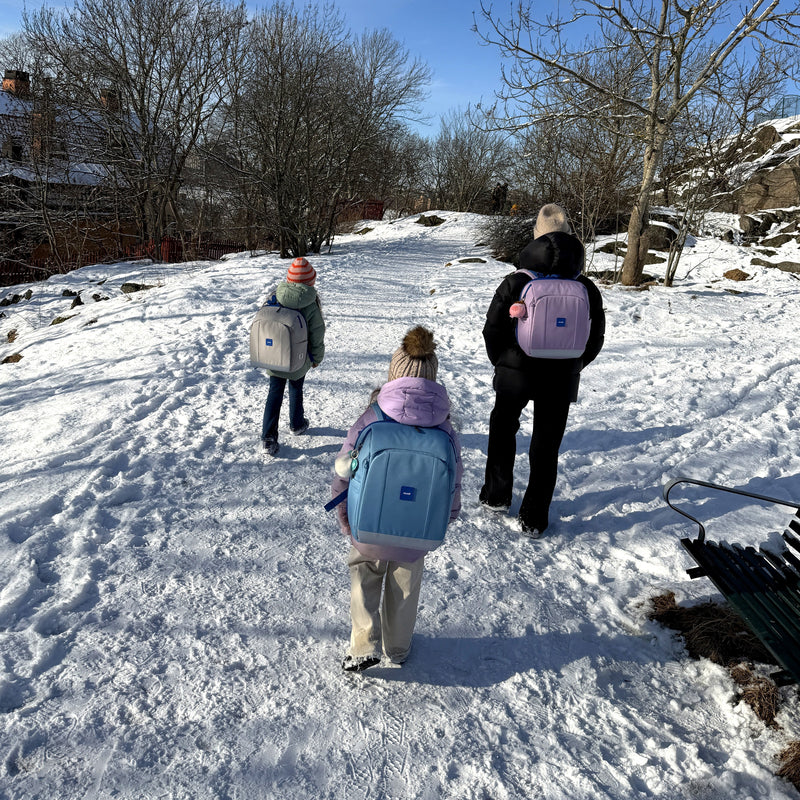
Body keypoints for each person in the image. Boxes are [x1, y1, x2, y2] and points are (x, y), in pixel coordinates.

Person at [331, 326, 462, 672]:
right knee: (405, 584)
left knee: (363, 575)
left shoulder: (371, 417)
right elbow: (454, 482)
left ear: (393, 375)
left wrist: (345, 516)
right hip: (417, 533)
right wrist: (445, 519)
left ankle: (363, 645)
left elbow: (344, 470)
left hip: (368, 529)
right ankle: (399, 648)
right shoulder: (445, 428)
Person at [479, 204, 605, 537]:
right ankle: (534, 517)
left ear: (536, 235)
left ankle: (496, 495)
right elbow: (595, 338)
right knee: (547, 445)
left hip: (515, 371)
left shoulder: (517, 280)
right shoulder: (587, 286)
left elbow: (492, 329)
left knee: (503, 428)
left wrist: (504, 362)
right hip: (560, 378)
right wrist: (573, 365)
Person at [260, 257, 325, 456]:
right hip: (299, 357)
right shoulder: (311, 303)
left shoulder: (275, 295)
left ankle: (268, 437)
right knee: (296, 388)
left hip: (275, 354)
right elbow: (317, 333)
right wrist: (316, 357)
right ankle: (297, 424)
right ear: (310, 282)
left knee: (275, 392)